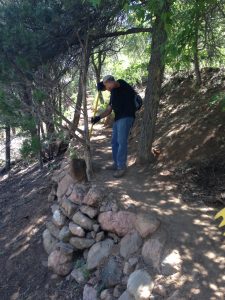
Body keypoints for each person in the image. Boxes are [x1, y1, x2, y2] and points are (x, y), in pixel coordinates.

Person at [91, 75, 136, 178]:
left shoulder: (121, 83)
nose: (107, 89)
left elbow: (116, 84)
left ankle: (121, 167)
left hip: (126, 116)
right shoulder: (113, 94)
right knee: (114, 142)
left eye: (107, 86)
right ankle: (116, 164)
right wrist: (98, 118)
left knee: (121, 142)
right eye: (105, 88)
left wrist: (104, 84)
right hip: (118, 119)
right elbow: (108, 110)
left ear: (111, 81)